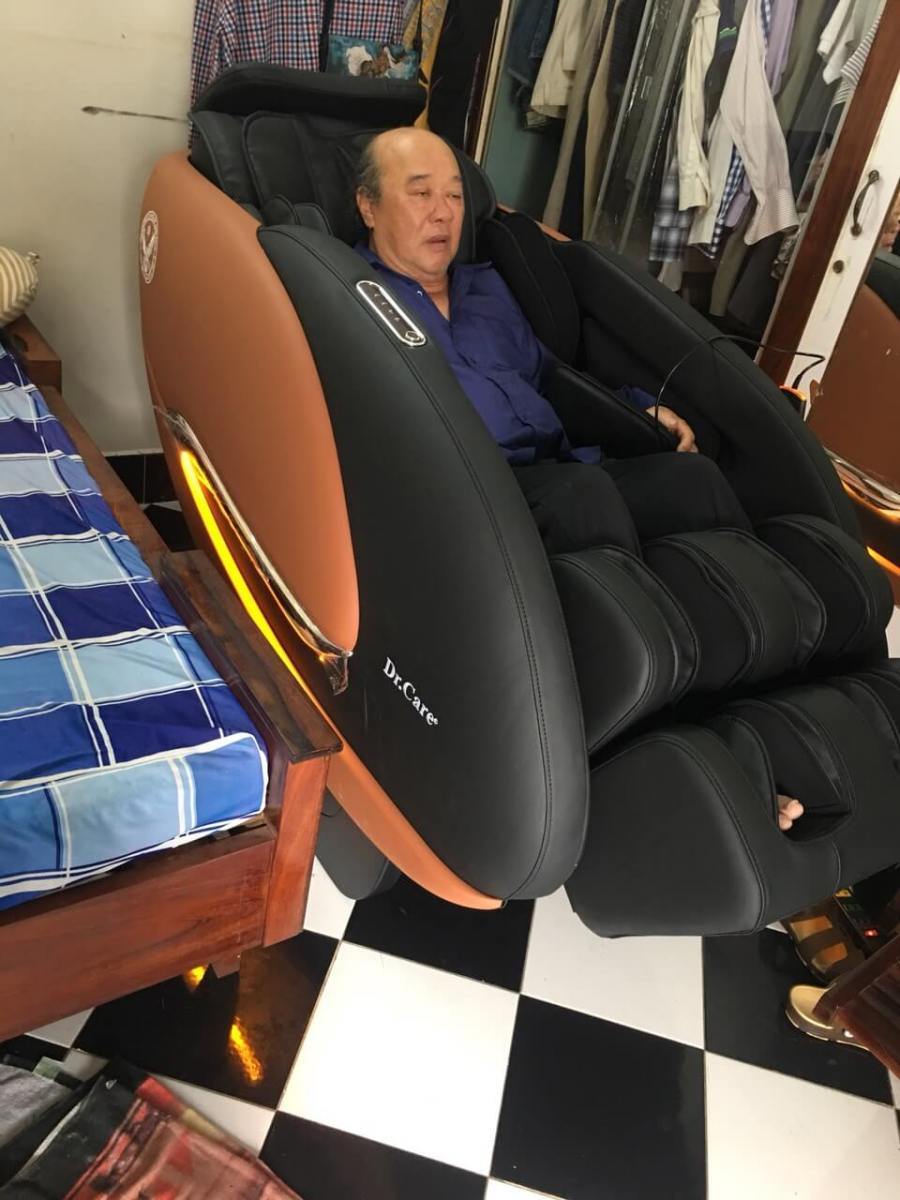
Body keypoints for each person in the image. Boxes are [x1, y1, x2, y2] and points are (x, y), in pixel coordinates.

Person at [353, 127, 803, 832]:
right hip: (473, 496)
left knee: (693, 482)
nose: (443, 213)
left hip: (563, 468)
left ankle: (757, 700)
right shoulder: (356, 299)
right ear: (368, 206)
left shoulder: (486, 288)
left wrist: (638, 410)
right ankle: (670, 743)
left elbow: (550, 379)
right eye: (419, 194)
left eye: (455, 196)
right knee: (587, 502)